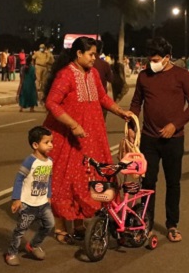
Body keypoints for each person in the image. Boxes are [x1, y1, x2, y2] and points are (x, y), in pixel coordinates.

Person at [42, 36, 133, 244]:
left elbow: (102, 97)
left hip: (92, 136)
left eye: (96, 54)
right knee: (65, 181)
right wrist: (73, 125)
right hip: (68, 137)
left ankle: (81, 223)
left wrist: (120, 112)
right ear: (78, 54)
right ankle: (60, 227)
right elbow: (52, 103)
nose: (94, 59)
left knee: (90, 178)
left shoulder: (92, 74)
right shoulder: (66, 75)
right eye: (91, 54)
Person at [129, 37, 189, 243]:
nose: (153, 62)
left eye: (157, 59)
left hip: (174, 140)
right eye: (150, 58)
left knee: (173, 183)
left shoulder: (182, 75)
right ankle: (146, 224)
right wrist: (132, 125)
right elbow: (136, 103)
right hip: (149, 140)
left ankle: (172, 225)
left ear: (167, 58)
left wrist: (175, 125)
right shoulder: (144, 76)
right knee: (147, 183)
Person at [5, 126, 54, 266]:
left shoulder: (50, 161)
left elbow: (49, 179)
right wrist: (16, 199)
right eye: (47, 142)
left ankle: (33, 245)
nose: (51, 145)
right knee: (21, 230)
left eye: (51, 141)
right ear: (35, 145)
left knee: (49, 225)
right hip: (28, 204)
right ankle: (11, 253)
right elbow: (19, 179)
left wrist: (49, 195)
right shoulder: (30, 161)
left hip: (43, 203)